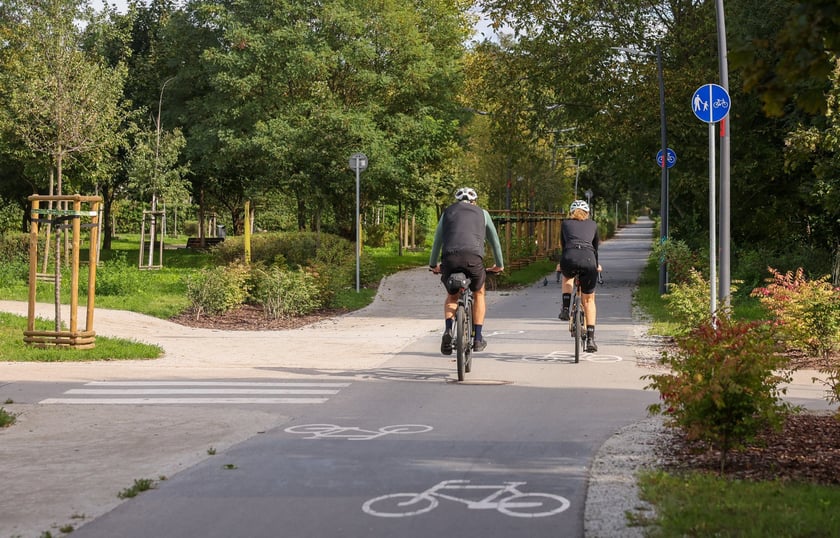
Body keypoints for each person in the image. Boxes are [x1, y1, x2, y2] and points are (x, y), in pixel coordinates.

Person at [429, 187, 504, 354]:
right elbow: (494, 242)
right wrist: (499, 265)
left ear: (457, 201)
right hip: (473, 259)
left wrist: (433, 264)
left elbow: (437, 240)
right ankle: (477, 338)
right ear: (474, 201)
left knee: (452, 295)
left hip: (450, 258)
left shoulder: (447, 213)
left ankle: (448, 330)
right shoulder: (482, 213)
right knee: (478, 293)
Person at [557, 199, 602, 352]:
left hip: (569, 258)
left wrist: (561, 263)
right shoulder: (593, 224)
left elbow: (564, 246)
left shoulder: (565, 224)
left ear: (571, 212)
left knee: (567, 277)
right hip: (589, 260)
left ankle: (564, 308)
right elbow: (595, 249)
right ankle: (590, 339)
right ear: (587, 213)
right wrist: (597, 265)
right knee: (589, 300)